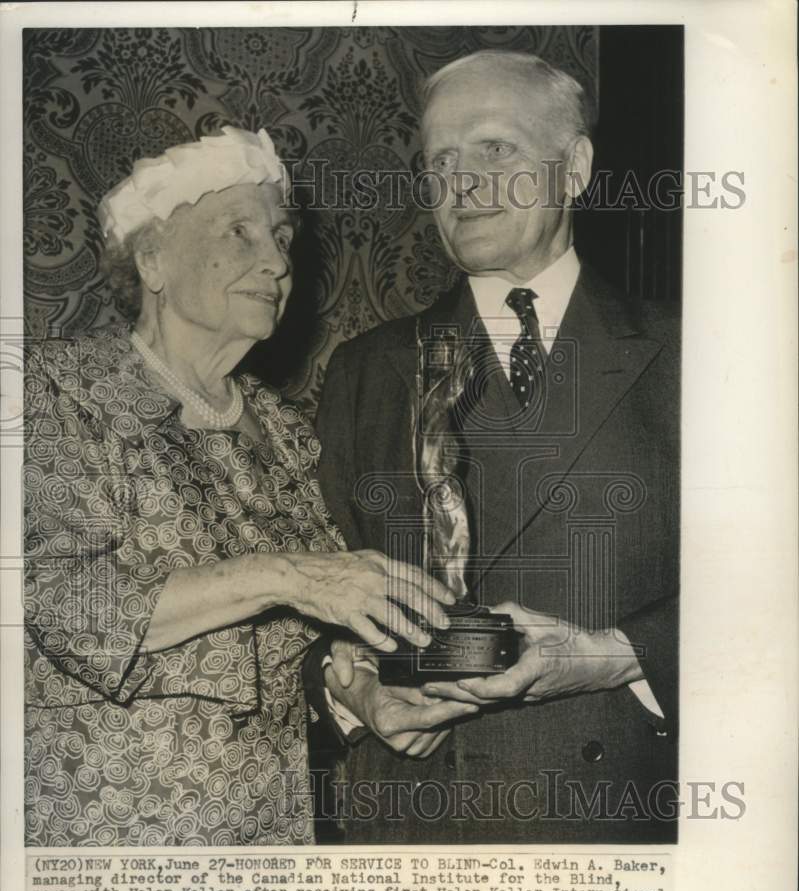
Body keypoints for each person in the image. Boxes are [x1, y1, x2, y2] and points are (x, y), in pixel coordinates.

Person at [23, 127, 466, 848]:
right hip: (109, 834)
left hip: (267, 832)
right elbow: (72, 605)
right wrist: (286, 575)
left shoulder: (282, 427)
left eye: (281, 236)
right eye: (238, 231)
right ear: (154, 259)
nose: (276, 262)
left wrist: (363, 693)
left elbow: (300, 632)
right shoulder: (58, 391)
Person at [311, 51, 679, 844]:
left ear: (574, 166)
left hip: (611, 819)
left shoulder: (698, 354)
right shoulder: (366, 370)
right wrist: (355, 690)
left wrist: (615, 656)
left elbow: (768, 597)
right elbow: (306, 593)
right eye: (440, 159)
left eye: (494, 149)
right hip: (416, 823)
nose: (461, 182)